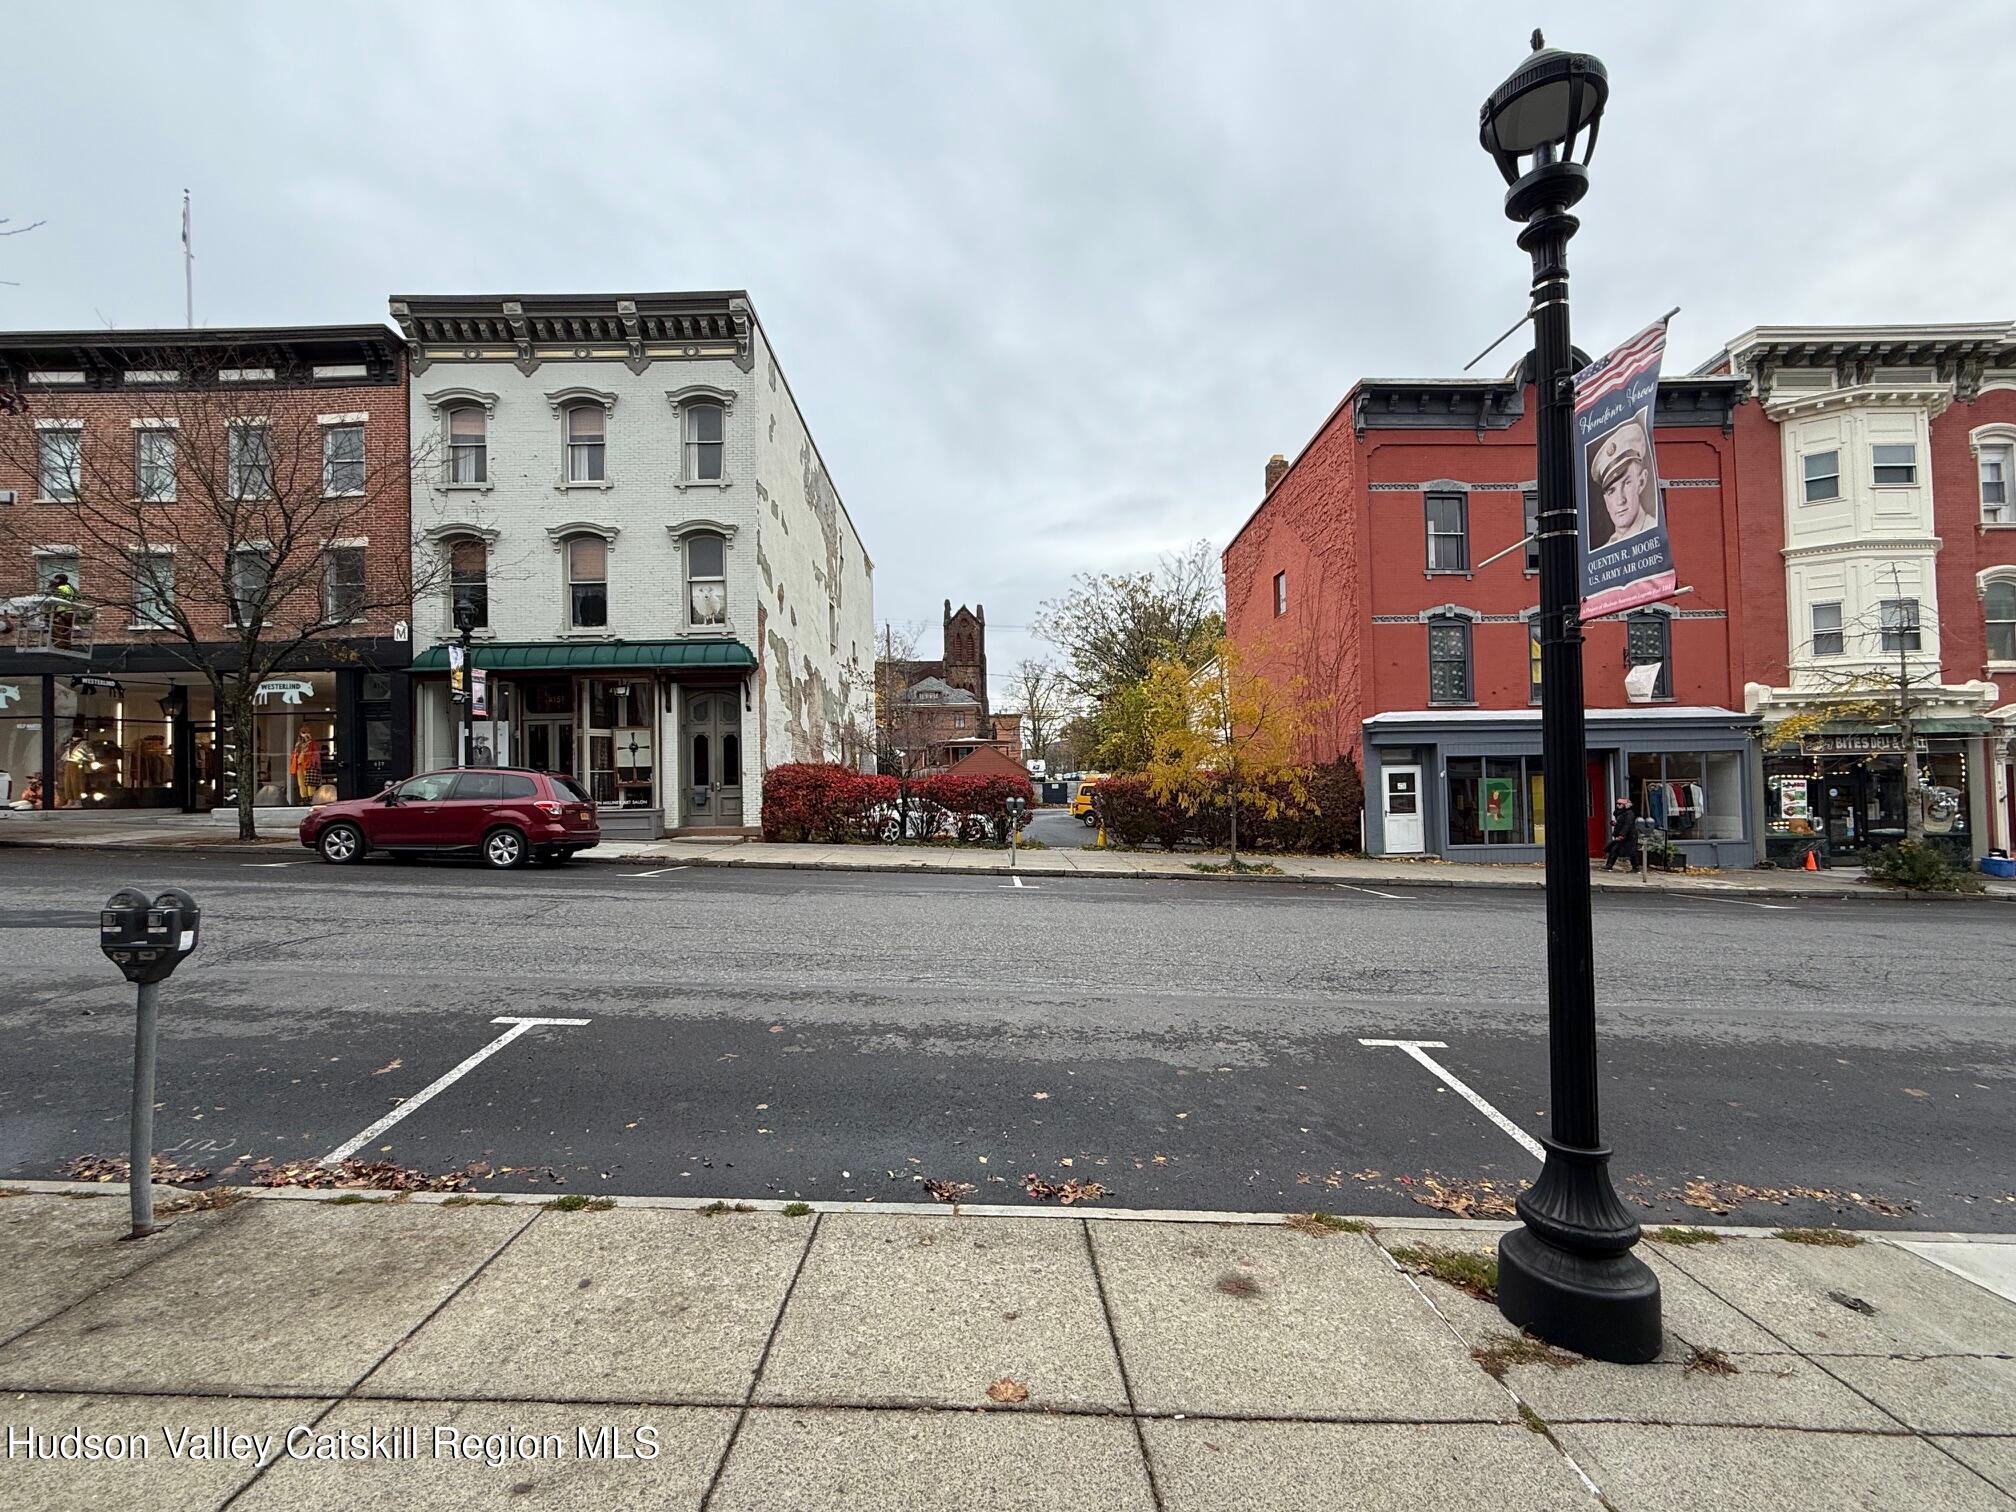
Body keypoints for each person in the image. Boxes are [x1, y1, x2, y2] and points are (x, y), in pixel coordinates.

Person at [1588, 418, 1658, 550]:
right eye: (1611, 491)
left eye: (1627, 483)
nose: (1620, 500)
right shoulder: (1605, 550)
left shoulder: (1653, 533)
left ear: (1641, 481)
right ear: (1605, 500)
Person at [1603, 795, 1640, 872]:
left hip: (1629, 836)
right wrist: (1615, 824)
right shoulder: (1620, 813)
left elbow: (1627, 825)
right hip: (1622, 834)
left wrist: (1622, 835)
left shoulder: (1629, 813)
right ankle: (1609, 866)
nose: (1617, 805)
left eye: (1620, 804)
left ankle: (1636, 868)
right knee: (1614, 849)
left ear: (1625, 805)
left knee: (1632, 852)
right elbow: (1621, 823)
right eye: (1617, 803)